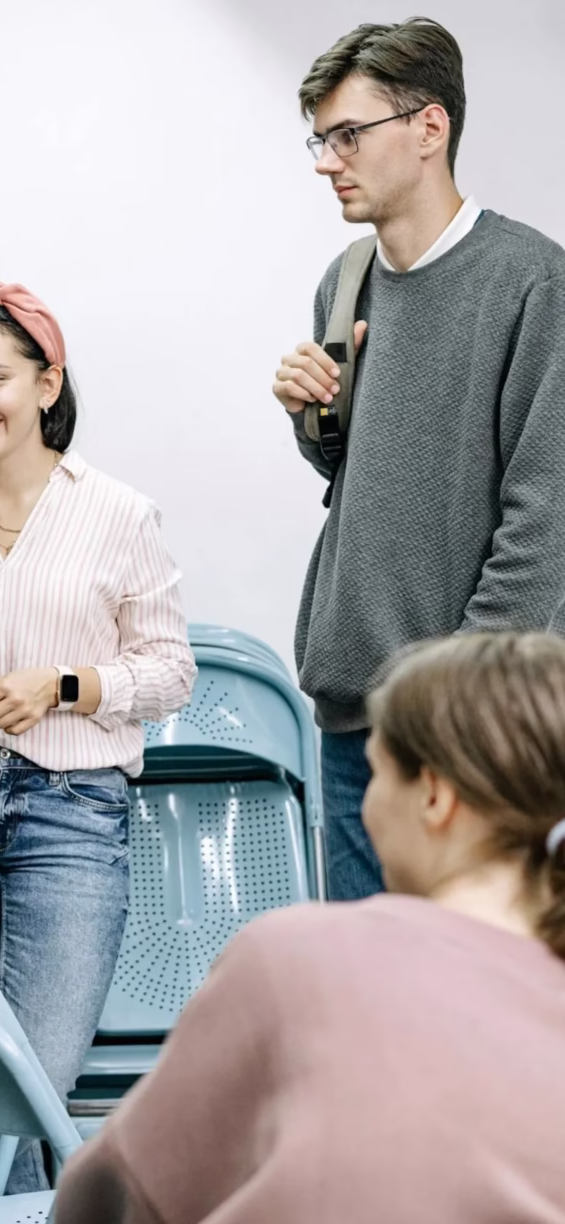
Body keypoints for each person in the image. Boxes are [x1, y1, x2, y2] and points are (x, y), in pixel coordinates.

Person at [55, 631, 565, 1222]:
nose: (366, 805)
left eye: (375, 776)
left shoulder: (297, 956)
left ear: (433, 796)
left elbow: (110, 1194)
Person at [0, 271, 195, 1194]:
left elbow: (170, 672)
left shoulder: (119, 513)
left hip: (73, 810)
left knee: (31, 1073)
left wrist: (62, 685)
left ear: (47, 383)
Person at [270, 17, 565, 900]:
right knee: (367, 996)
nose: (328, 160)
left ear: (429, 129)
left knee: (466, 998)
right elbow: (360, 476)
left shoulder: (532, 283)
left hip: (457, 729)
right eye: (321, 139)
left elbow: (546, 524)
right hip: (350, 711)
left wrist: (457, 704)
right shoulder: (345, 279)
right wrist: (308, 414)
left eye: (348, 135)